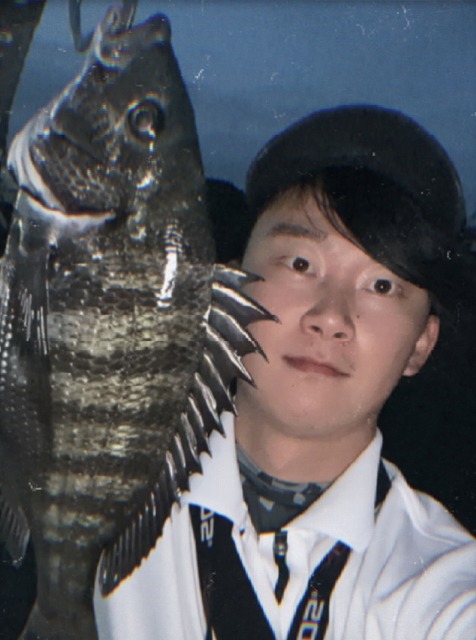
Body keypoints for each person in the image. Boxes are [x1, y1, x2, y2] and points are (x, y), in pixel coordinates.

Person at [94, 105, 476, 639]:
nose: (331, 317)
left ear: (420, 345)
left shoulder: (439, 580)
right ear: (228, 286)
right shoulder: (94, 484)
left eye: (382, 285)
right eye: (301, 264)